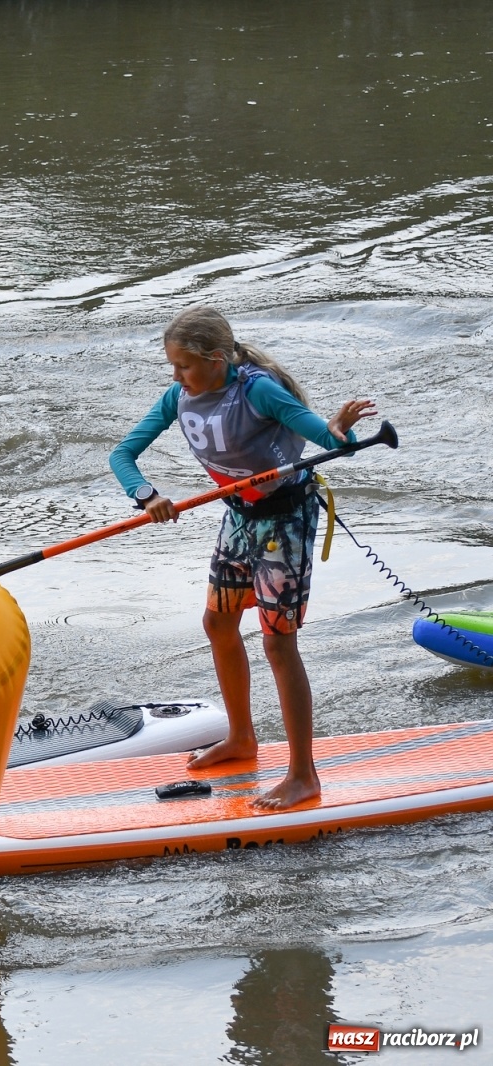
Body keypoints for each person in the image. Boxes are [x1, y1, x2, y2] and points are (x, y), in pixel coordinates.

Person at [109, 306, 377, 811]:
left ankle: (304, 775)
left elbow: (331, 443)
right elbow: (122, 456)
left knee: (279, 645)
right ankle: (241, 737)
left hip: (284, 523)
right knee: (218, 623)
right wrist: (147, 496)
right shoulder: (178, 397)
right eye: (172, 367)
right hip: (238, 516)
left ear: (215, 359)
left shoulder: (257, 391)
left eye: (183, 365)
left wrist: (341, 430)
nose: (175, 376)